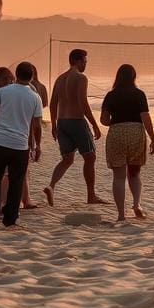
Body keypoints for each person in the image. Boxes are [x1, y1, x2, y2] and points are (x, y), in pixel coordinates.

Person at [0, 61, 43, 228]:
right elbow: (37, 126)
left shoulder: (3, 91)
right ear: (31, 77)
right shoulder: (35, 97)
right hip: (19, 146)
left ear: (16, 75)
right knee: (16, 182)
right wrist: (37, 146)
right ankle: (10, 220)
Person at [44, 48, 105, 206]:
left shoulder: (60, 79)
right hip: (76, 121)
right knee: (90, 157)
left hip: (62, 122)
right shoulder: (80, 77)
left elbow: (53, 103)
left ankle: (51, 186)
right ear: (78, 61)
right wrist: (94, 125)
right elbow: (82, 102)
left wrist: (54, 124)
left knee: (67, 159)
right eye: (84, 61)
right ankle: (91, 195)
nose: (85, 64)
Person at [100, 64, 154, 221]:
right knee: (134, 173)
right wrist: (153, 138)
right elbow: (145, 117)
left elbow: (103, 119)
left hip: (116, 133)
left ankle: (121, 214)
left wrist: (115, 122)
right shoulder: (139, 94)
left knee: (118, 177)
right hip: (135, 132)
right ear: (134, 77)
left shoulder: (111, 95)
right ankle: (137, 205)